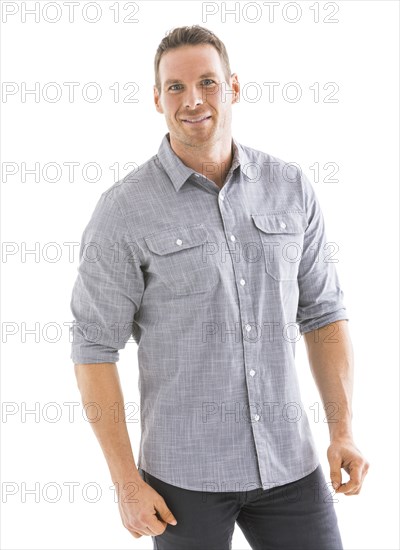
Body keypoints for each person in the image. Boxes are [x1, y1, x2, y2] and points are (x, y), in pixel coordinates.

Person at [70, 24, 369, 550]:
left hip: (289, 468)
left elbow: (323, 315)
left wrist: (342, 430)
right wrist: (125, 484)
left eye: (208, 82)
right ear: (157, 98)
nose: (193, 100)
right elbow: (93, 348)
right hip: (182, 480)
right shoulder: (123, 211)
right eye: (176, 87)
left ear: (233, 87)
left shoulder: (290, 186)